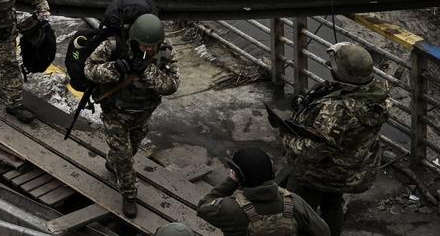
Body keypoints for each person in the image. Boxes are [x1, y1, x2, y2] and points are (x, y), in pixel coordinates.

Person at [278, 42, 389, 236]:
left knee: (296, 210)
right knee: (332, 204)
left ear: (344, 74)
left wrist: (286, 138)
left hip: (318, 173)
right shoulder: (376, 94)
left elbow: (313, 151)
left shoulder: (338, 112)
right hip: (347, 167)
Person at [84, 12, 180, 218]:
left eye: (153, 46)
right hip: (115, 113)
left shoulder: (165, 51)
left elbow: (172, 86)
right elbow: (89, 70)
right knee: (125, 156)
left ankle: (112, 163)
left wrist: (148, 70)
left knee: (132, 147)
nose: (149, 49)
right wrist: (116, 67)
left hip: (142, 114)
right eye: (145, 46)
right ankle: (129, 194)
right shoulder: (114, 47)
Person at [198, 147, 330, 236]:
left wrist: (231, 181)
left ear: (240, 177)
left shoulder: (229, 209)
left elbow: (203, 206)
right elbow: (324, 231)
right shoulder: (294, 202)